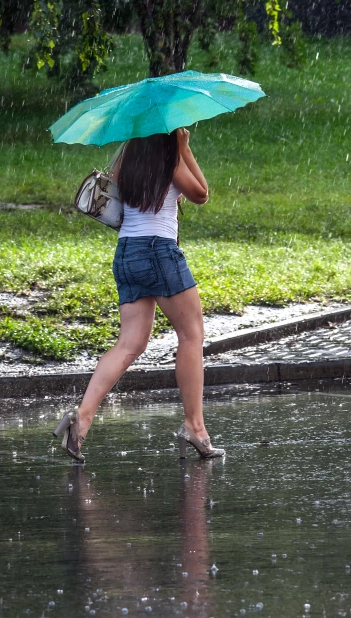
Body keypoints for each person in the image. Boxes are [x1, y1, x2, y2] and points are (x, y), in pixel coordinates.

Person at [53, 128, 225, 462]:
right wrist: (183, 148)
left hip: (127, 252)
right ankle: (195, 426)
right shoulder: (169, 154)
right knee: (191, 337)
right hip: (158, 250)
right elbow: (201, 194)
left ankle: (82, 418)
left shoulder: (127, 155)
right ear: (167, 125)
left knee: (129, 343)